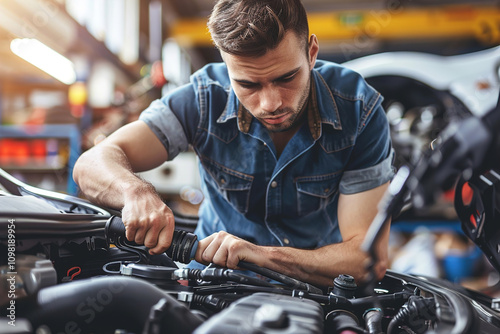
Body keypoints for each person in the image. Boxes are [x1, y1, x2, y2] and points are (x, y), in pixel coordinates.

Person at [73, 0, 394, 287]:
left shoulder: (358, 110)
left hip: (317, 289)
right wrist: (136, 192)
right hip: (214, 284)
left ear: (311, 53)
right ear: (227, 69)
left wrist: (261, 256)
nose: (270, 103)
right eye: (248, 84)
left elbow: (367, 259)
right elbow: (90, 164)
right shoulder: (202, 98)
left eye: (286, 78)